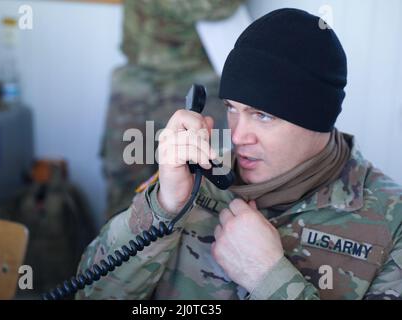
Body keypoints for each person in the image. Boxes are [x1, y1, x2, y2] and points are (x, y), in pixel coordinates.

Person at [77, 8, 402, 300]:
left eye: (262, 115)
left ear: (317, 119)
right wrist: (163, 206)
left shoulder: (393, 220)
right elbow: (91, 293)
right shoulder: (196, 174)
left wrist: (270, 278)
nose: (236, 135)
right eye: (232, 108)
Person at [100, 0, 244, 219]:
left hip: (190, 81)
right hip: (136, 78)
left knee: (197, 182)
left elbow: (219, 6)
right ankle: (118, 247)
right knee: (123, 180)